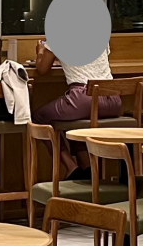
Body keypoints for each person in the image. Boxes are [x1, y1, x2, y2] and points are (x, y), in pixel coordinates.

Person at [32, 37, 118, 175]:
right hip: (113, 100)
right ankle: (86, 169)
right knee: (72, 120)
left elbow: (42, 69)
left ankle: (71, 167)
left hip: (84, 98)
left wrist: (41, 51)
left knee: (38, 118)